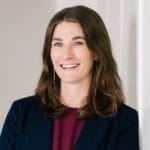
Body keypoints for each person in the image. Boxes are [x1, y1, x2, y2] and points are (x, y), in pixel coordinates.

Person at [0, 5, 139, 150]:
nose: (66, 54)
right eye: (58, 44)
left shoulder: (125, 121)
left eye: (78, 43)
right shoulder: (21, 113)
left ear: (97, 52)